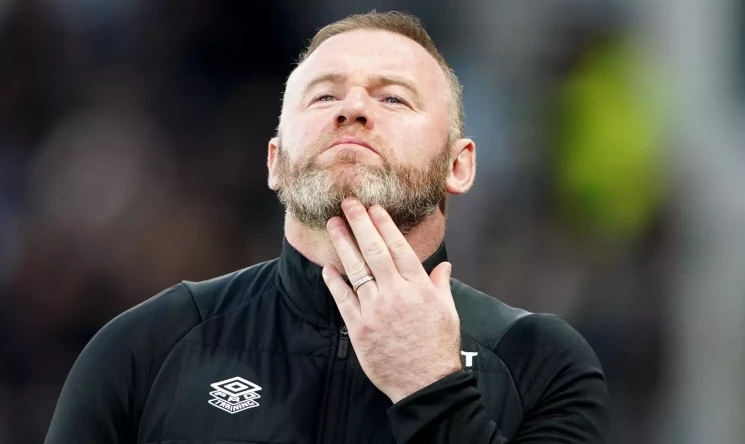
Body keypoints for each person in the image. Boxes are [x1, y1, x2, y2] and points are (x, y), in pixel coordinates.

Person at [45, 11, 609, 444]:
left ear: (458, 165)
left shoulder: (543, 362)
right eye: (324, 95)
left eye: (393, 97)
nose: (353, 109)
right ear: (274, 160)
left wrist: (432, 390)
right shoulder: (145, 348)